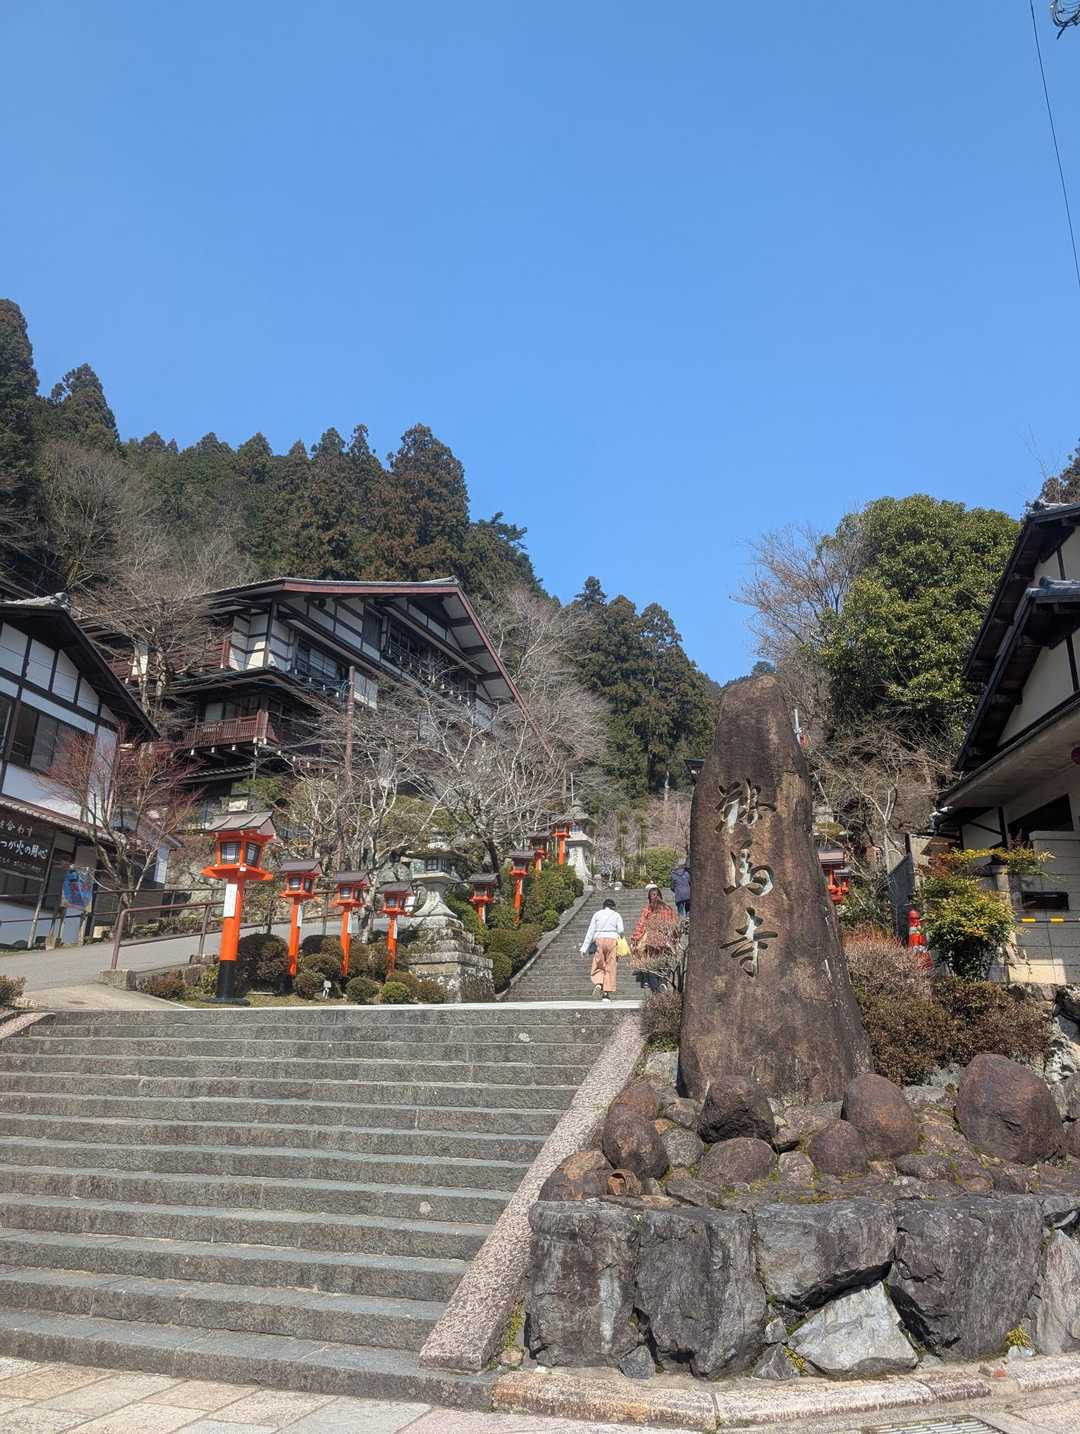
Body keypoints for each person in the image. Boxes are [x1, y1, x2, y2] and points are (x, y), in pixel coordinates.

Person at [631, 883, 679, 991]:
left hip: (651, 940)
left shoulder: (648, 909)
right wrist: (674, 940)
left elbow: (641, 925)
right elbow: (674, 925)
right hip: (666, 940)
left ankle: (655, 988)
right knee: (665, 962)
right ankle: (663, 982)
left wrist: (635, 939)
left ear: (649, 898)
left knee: (652, 963)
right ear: (661, 896)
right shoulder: (668, 909)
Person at [580, 897, 624, 1002]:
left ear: (603, 906)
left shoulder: (597, 914)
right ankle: (606, 994)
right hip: (612, 940)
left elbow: (590, 931)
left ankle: (599, 982)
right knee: (610, 966)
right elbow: (621, 930)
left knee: (598, 964)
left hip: (599, 940)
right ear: (613, 907)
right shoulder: (616, 915)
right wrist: (620, 936)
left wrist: (584, 948)